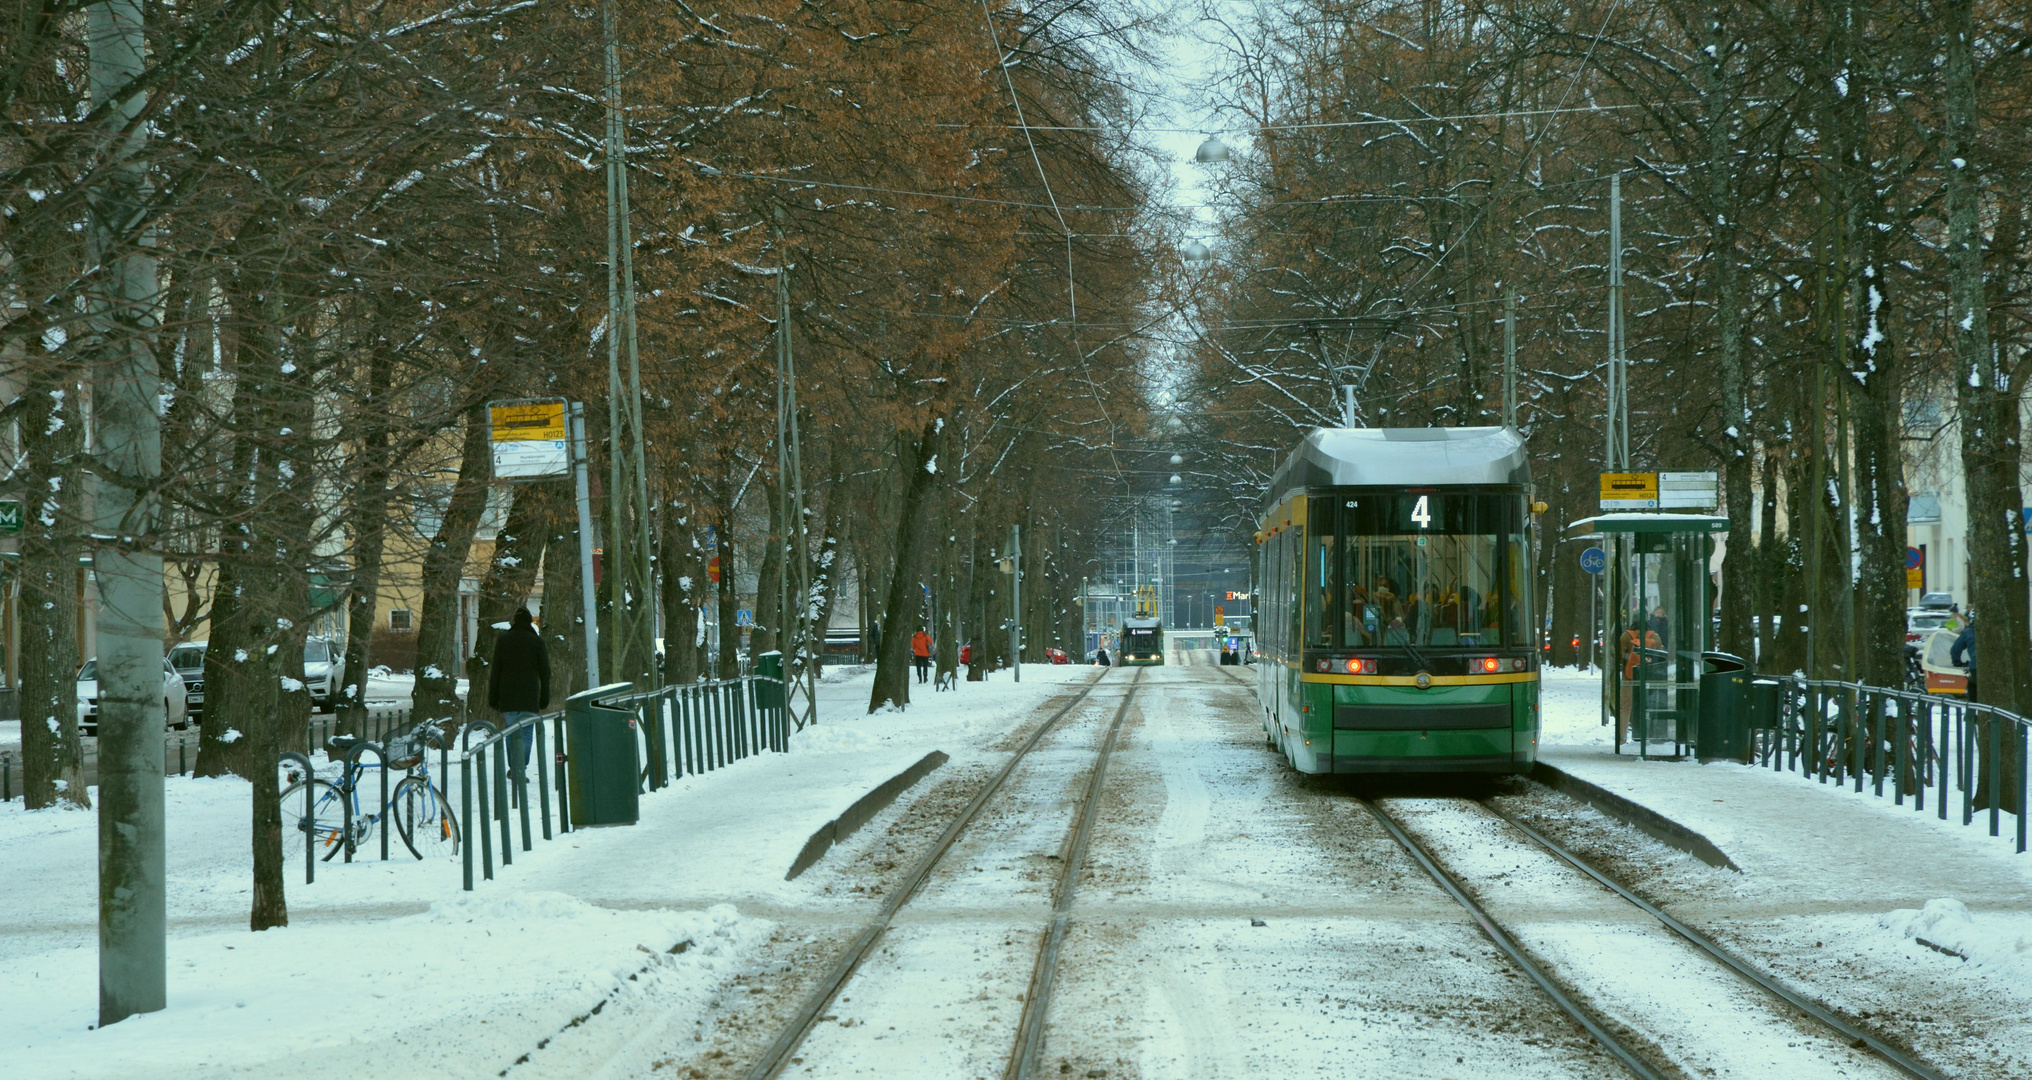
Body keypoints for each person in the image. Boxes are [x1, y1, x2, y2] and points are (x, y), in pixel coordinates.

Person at [488, 607, 551, 776]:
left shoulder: (504, 641)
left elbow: (496, 672)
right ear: (530, 622)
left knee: (510, 731)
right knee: (526, 733)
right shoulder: (537, 642)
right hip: (529, 696)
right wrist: (545, 697)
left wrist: (493, 697)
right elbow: (545, 673)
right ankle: (520, 767)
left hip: (507, 696)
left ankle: (513, 767)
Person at [1952, 613, 1977, 703]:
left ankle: (1972, 714)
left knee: (1973, 688)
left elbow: (1955, 649)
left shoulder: (1969, 632)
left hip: (1975, 667)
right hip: (1999, 667)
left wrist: (1957, 662)